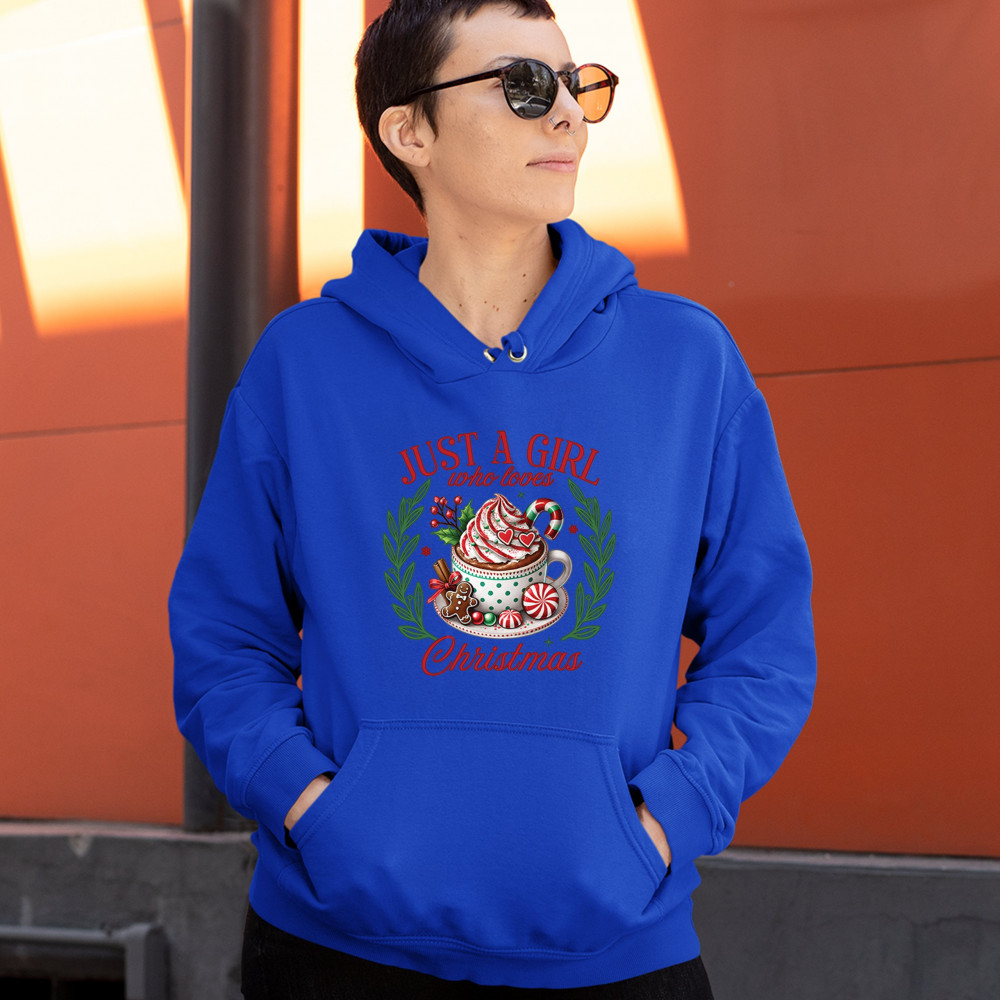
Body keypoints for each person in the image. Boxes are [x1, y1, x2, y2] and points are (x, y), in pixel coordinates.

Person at [170, 1, 816, 996]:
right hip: (335, 947)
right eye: (522, 85)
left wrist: (665, 819)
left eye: (576, 84)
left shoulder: (685, 361)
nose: (566, 114)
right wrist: (313, 808)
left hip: (613, 953)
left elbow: (765, 638)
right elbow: (223, 637)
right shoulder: (304, 363)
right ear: (409, 130)